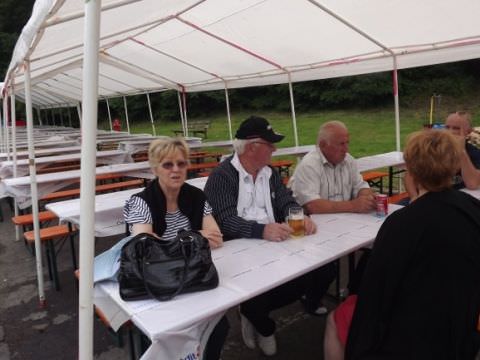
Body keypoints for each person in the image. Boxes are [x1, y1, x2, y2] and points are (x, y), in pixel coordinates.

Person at [324, 130, 480, 360]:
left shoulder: (403, 223)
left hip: (411, 338)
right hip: (462, 328)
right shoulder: (473, 210)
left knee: (335, 319)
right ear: (454, 167)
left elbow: (377, 293)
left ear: (411, 170)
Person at [204, 115, 336, 356]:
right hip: (239, 249)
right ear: (252, 147)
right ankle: (263, 324)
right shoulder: (221, 176)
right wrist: (261, 230)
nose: (275, 149)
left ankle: (254, 314)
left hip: (273, 242)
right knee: (259, 290)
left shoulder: (269, 172)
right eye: (270, 145)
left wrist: (297, 214)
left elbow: (285, 199)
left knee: (320, 269)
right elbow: (224, 220)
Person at [123, 137, 228, 360]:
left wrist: (166, 243)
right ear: (154, 169)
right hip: (155, 283)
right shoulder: (141, 201)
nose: (176, 170)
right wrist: (196, 236)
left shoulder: (196, 196)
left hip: (191, 276)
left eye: (181, 164)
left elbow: (216, 238)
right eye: (167, 165)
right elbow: (145, 248)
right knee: (166, 332)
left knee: (220, 325)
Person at [289, 120, 376, 214]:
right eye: (341, 144)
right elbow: (312, 205)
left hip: (345, 221)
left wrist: (367, 198)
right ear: (323, 145)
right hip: (315, 224)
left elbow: (361, 186)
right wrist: (353, 205)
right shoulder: (309, 165)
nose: (346, 149)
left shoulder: (349, 160)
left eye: (347, 143)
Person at [445, 111, 480, 189]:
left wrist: (461, 151)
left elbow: (472, 184)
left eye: (456, 128)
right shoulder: (433, 148)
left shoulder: (474, 153)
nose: (450, 132)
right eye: (447, 127)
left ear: (468, 131)